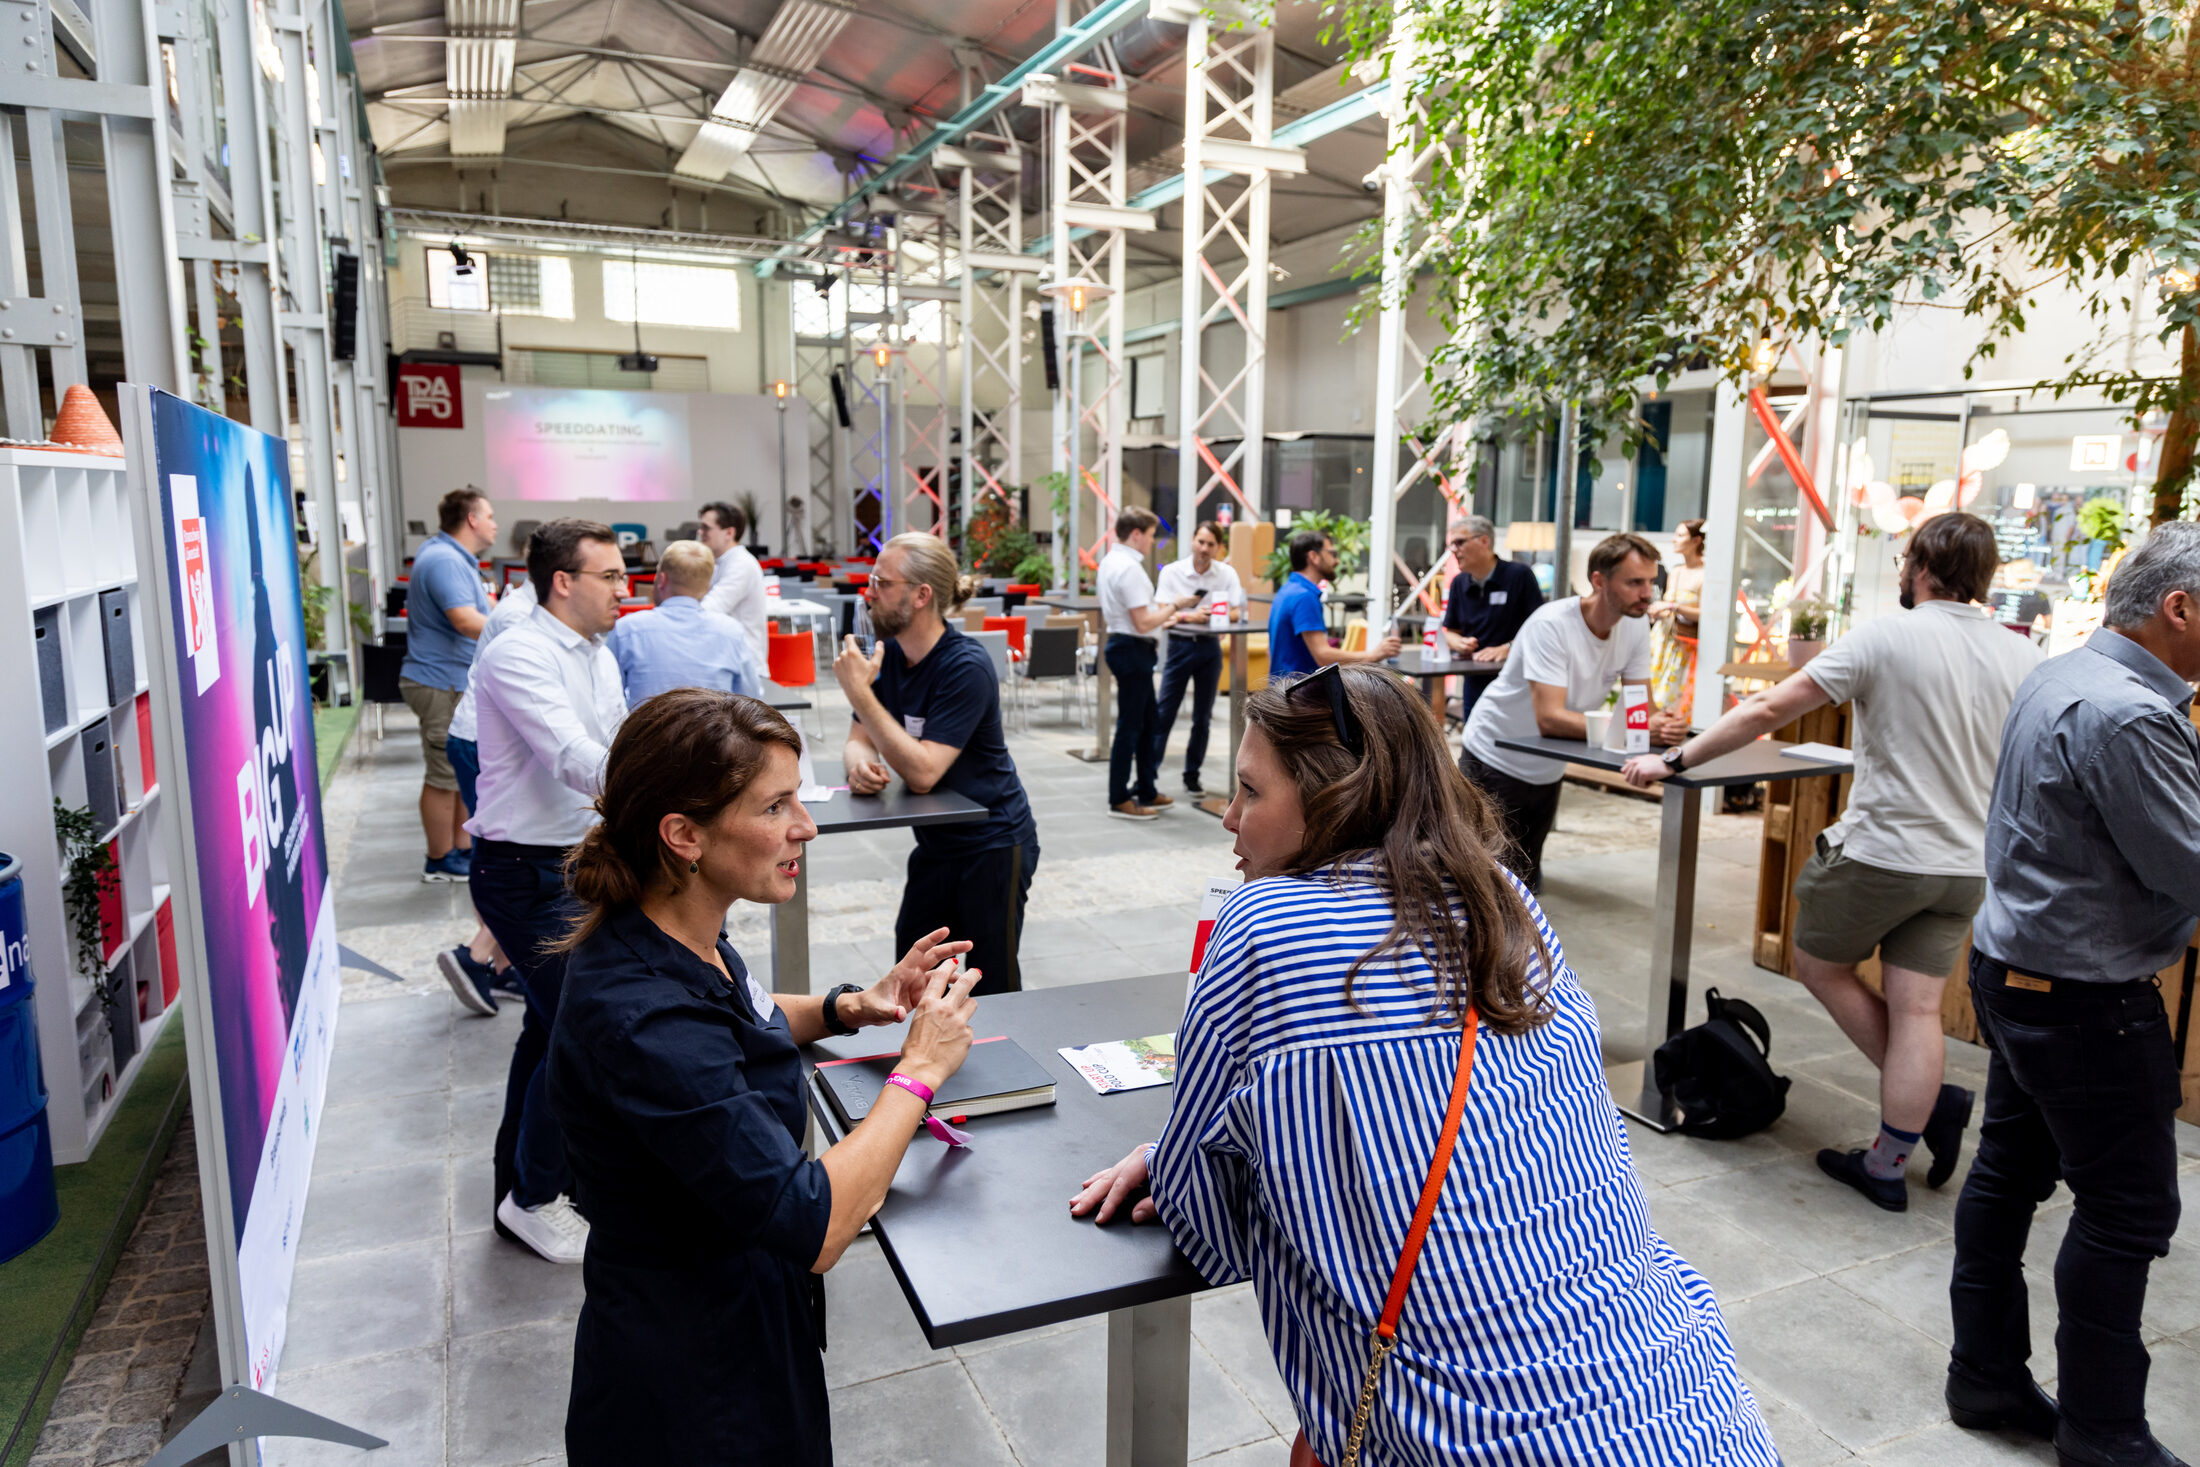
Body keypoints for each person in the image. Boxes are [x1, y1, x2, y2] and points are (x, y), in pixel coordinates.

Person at [1069, 665, 1776, 1466]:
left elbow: (1210, 1232)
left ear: (1336, 798)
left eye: (1250, 792)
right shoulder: (1502, 896)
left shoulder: (1263, 922)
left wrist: (1187, 1156)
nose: (1229, 818)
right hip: (1683, 1400)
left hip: (1473, 1438)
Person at [547, 689, 985, 1466]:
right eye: (776, 805)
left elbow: (737, 1019)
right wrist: (917, 1071)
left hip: (735, 1327)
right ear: (683, 834)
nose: (805, 826)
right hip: (694, 1386)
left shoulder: (670, 934)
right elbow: (813, 1223)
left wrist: (851, 1005)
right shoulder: (643, 1017)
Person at [1622, 512, 2040, 1213]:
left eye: (1906, 559)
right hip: (1968, 864)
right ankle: (1890, 1156)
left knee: (1819, 964)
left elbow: (1767, 707)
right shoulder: (2022, 654)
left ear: (1923, 567)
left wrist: (1674, 758)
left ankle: (1926, 1111)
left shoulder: (1888, 635)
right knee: (1918, 1009)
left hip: (1883, 850)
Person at [1947, 521, 2200, 1467]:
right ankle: (2102, 1430)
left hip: (2016, 970)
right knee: (2127, 1211)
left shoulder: (2060, 672)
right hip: (2088, 1000)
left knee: (2007, 1176)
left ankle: (1984, 1377)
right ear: (2178, 608)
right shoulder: (2130, 713)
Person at [467, 519, 630, 1263]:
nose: (625, 589)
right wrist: (672, 790)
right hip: (524, 872)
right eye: (612, 576)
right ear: (563, 580)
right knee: (580, 1029)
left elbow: (618, 740)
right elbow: (571, 754)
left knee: (547, 1027)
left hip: (575, 859)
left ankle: (523, 1188)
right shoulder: (518, 653)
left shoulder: (597, 653)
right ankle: (534, 1195)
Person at [834, 532, 1039, 996]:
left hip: (994, 842)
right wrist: (859, 764)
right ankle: (922, 1061)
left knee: (990, 983)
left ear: (921, 595)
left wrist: (859, 692)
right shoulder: (892, 660)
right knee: (911, 975)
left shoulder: (964, 665)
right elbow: (856, 738)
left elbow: (924, 773)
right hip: (938, 844)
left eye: (882, 583)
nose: (868, 592)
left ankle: (1000, 1064)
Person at [1459, 532, 1686, 891]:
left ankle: (1528, 946)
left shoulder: (1636, 624)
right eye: (1634, 583)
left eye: (1651, 582)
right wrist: (1635, 729)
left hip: (1547, 765)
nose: (1647, 593)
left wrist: (1660, 724)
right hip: (1494, 755)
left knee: (1526, 881)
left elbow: (1641, 706)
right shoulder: (1552, 624)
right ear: (1599, 580)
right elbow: (1549, 718)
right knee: (1481, 881)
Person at [437, 563, 536, 1016]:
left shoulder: (530, 610)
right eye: (605, 576)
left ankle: (498, 963)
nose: (617, 589)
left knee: (506, 852)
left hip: (484, 739)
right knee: (510, 855)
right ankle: (477, 957)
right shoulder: (522, 618)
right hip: (484, 742)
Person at [399, 487, 496, 881]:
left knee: (458, 772)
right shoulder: (444, 560)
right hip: (439, 682)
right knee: (442, 774)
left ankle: (460, 851)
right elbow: (465, 620)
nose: (494, 524)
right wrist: (522, 630)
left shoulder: (453, 558)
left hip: (451, 680)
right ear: (471, 519)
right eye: (489, 516)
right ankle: (439, 860)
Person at [1096, 507, 1186, 820]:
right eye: (1149, 535)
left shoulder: (1110, 561)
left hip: (1126, 645)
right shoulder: (1129, 568)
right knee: (1131, 727)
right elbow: (1144, 621)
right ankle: (1119, 798)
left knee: (1148, 721)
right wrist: (1176, 605)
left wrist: (1168, 617)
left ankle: (1146, 787)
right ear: (1136, 534)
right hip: (1132, 648)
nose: (1151, 542)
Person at [608, 540, 768, 705]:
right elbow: (751, 700)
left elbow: (609, 698)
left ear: (661, 580)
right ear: (706, 587)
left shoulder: (626, 630)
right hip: (713, 731)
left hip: (645, 731)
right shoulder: (732, 633)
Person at [1151, 520, 1246, 795]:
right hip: (1180, 646)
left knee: (1202, 717)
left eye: (1210, 544)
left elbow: (1238, 612)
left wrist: (1215, 616)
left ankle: (1192, 775)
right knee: (1164, 712)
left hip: (1209, 648)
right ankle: (1149, 775)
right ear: (1193, 540)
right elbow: (1161, 611)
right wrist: (1188, 616)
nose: (1204, 548)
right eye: (1200, 542)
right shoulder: (1172, 572)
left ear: (1218, 548)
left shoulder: (1226, 574)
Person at [1438, 513, 1545, 720]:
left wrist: (1508, 648)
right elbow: (1450, 632)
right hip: (1475, 680)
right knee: (1473, 738)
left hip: (1514, 680)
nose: (1454, 551)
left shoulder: (1519, 575)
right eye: (1451, 545)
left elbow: (1539, 630)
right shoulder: (1459, 583)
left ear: (1484, 541)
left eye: (1459, 543)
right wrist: (1459, 643)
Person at [1265, 529, 1401, 682]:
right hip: (1300, 696)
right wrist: (1373, 655)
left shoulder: (1287, 590)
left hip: (1282, 691)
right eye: (1332, 554)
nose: (1336, 561)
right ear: (1314, 557)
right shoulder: (1304, 597)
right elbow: (1323, 656)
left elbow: (1270, 650)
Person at [1648, 518, 1707, 712]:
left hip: (1683, 645)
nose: (1674, 540)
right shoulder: (1675, 572)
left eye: (1680, 535)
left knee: (1671, 695)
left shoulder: (1705, 575)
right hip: (1662, 638)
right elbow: (1669, 605)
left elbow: (1704, 614)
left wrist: (1674, 606)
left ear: (1696, 541)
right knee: (1651, 689)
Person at [699, 500, 769, 657]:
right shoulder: (723, 562)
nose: (700, 532)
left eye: (706, 528)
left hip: (743, 664)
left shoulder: (741, 564)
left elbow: (710, 608)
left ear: (729, 533)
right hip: (730, 657)